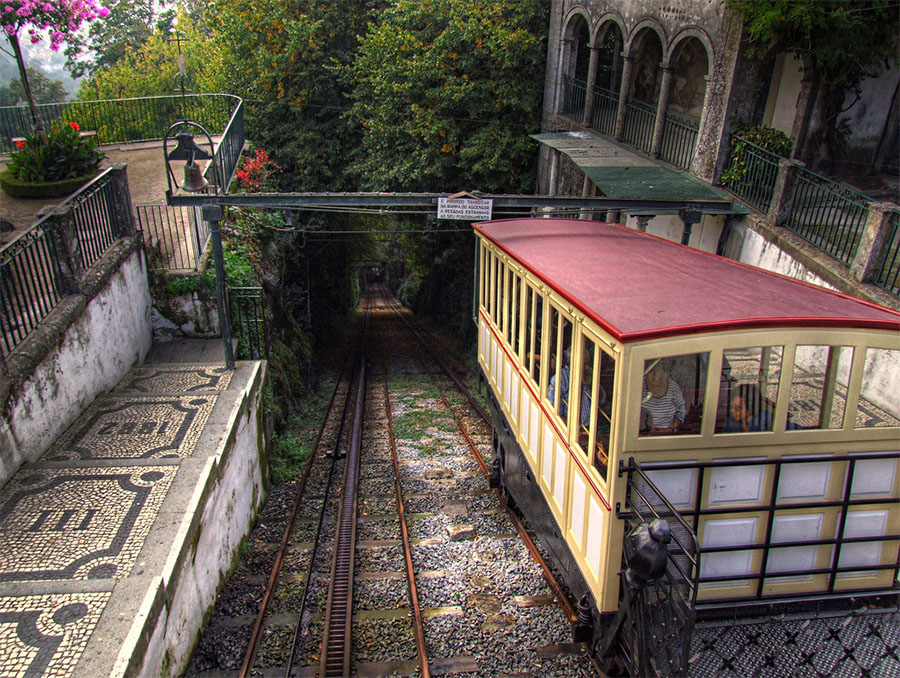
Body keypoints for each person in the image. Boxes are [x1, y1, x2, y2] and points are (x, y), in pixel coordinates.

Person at [722, 384, 801, 432]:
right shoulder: (730, 423)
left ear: (751, 407)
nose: (732, 411)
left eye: (738, 408)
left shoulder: (769, 421)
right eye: (732, 407)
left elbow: (799, 433)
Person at [641, 360, 685, 435]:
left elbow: (681, 411)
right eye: (653, 373)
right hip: (642, 434)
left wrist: (672, 427)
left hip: (666, 434)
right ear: (648, 373)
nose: (657, 377)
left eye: (661, 373)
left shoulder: (673, 388)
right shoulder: (639, 386)